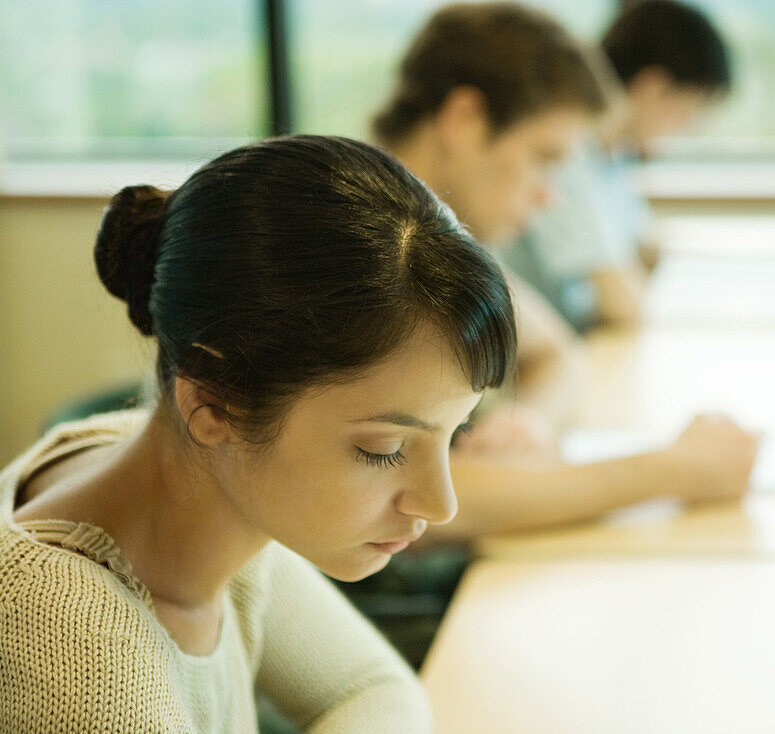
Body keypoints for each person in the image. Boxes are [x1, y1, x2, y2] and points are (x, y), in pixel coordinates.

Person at [0, 135, 517, 732]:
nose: (442, 505)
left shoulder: (209, 487)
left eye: (455, 433)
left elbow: (372, 689)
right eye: (384, 451)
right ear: (212, 404)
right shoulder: (74, 649)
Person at [372, 2, 757, 540]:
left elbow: (556, 353)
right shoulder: (368, 250)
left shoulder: (441, 235)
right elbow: (402, 497)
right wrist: (671, 470)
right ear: (465, 119)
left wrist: (526, 422)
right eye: (543, 158)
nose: (551, 196)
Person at [503, 0, 734, 330]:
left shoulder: (612, 156)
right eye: (687, 112)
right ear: (653, 88)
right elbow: (620, 304)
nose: (683, 129)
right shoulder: (567, 154)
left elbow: (644, 251)